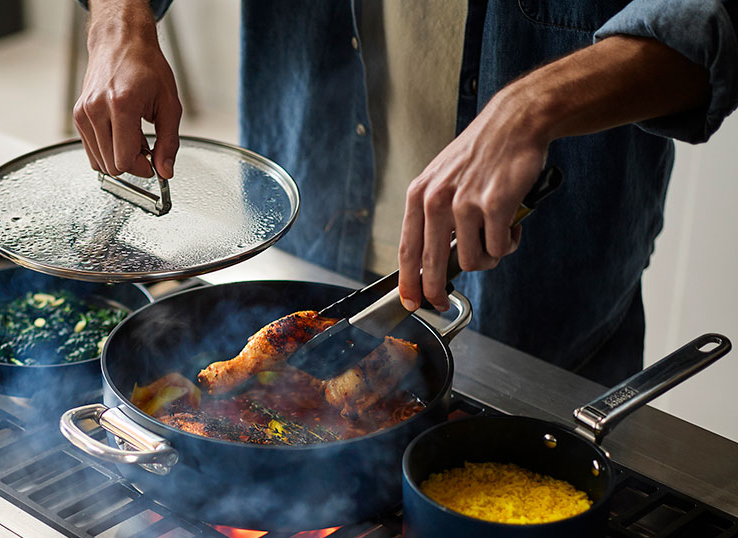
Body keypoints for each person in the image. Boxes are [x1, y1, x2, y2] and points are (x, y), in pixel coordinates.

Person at [73, 1, 737, 385]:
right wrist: (118, 18)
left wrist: (532, 106)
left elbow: (713, 23)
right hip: (303, 233)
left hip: (544, 302)